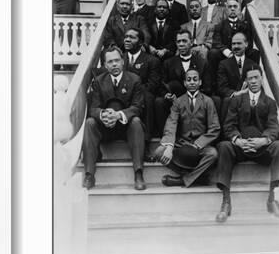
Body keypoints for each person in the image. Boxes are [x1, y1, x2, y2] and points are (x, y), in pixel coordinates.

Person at [215, 65, 279, 222]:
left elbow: (273, 126)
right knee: (224, 146)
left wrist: (264, 140)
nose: (253, 81)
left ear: (261, 79)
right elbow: (229, 125)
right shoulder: (237, 100)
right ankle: (226, 201)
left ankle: (273, 197)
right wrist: (237, 140)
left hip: (262, 148)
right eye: (250, 78)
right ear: (246, 81)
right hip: (241, 148)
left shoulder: (270, 102)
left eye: (256, 77)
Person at [82, 46, 146, 191]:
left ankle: (138, 173)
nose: (114, 64)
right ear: (105, 65)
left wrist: (118, 115)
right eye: (110, 62)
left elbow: (137, 107)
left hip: (126, 127)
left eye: (117, 60)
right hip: (105, 127)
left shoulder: (134, 79)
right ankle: (89, 174)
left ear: (123, 62)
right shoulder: (99, 81)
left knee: (136, 121)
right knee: (90, 123)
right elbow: (93, 108)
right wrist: (103, 114)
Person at [154, 68, 220, 187]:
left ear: (200, 82)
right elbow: (171, 123)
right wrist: (169, 146)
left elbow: (215, 128)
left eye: (195, 79)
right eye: (189, 80)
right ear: (185, 83)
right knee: (159, 152)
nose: (192, 82)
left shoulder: (208, 101)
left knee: (213, 154)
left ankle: (183, 180)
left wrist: (199, 144)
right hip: (183, 143)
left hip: (200, 145)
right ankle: (196, 177)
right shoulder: (178, 102)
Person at [154, 29, 215, 136]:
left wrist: (192, 96)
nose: (181, 44)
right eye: (178, 42)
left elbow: (208, 86)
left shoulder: (202, 62)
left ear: (191, 42)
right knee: (159, 102)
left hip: (196, 97)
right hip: (174, 99)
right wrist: (167, 95)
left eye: (184, 41)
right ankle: (164, 137)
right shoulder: (168, 63)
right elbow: (161, 85)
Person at [123, 27, 162, 158]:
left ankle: (144, 142)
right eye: (126, 36)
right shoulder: (119, 60)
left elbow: (152, 85)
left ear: (140, 42)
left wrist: (134, 94)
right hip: (120, 95)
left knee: (148, 97)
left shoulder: (152, 60)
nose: (127, 39)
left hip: (141, 96)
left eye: (132, 37)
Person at [209, 0, 259, 91]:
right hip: (225, 55)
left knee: (254, 52)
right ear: (226, 9)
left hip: (242, 53)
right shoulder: (220, 25)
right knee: (213, 53)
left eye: (235, 6)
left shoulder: (245, 25)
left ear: (239, 9)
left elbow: (249, 43)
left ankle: (252, 81)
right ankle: (214, 86)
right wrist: (227, 52)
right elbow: (217, 42)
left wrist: (240, 51)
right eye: (230, 7)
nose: (232, 9)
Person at [217, 31, 257, 121]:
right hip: (231, 99)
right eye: (233, 44)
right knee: (227, 101)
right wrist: (237, 93)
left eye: (239, 43)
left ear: (246, 44)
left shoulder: (253, 65)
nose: (236, 46)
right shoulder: (223, 64)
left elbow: (256, 85)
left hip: (248, 98)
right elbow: (221, 87)